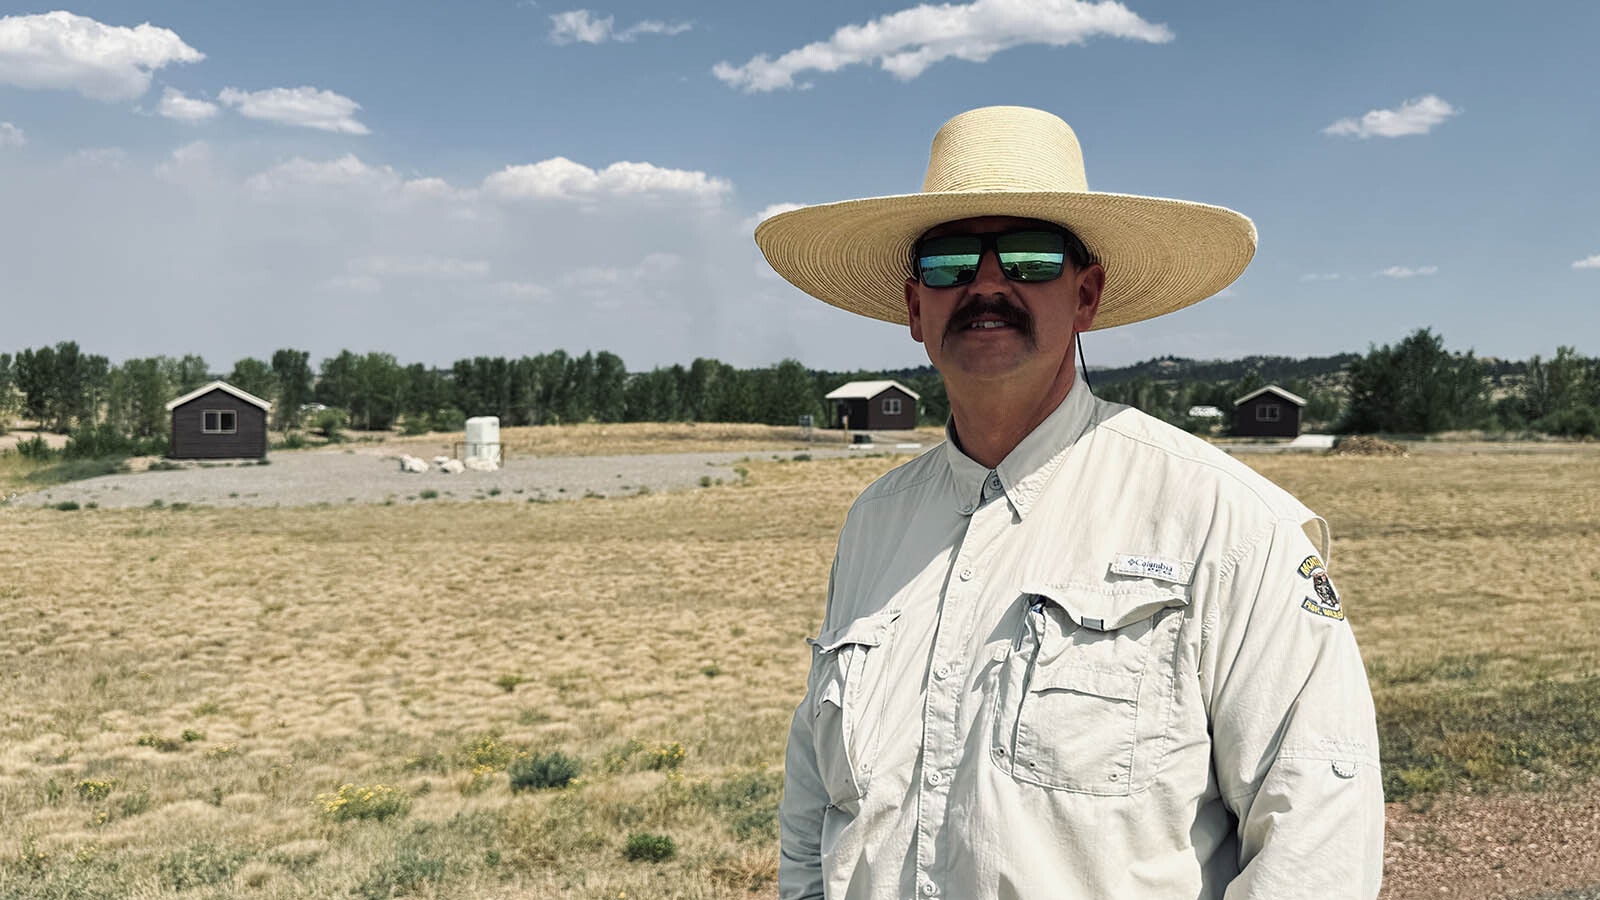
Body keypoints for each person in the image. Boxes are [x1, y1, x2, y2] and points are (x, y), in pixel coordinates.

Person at [754, 106, 1384, 900]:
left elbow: (1318, 830)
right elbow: (815, 801)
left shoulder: (1225, 520)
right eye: (950, 263)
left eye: (1028, 256)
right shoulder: (876, 523)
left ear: (1085, 295)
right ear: (916, 309)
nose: (987, 283)